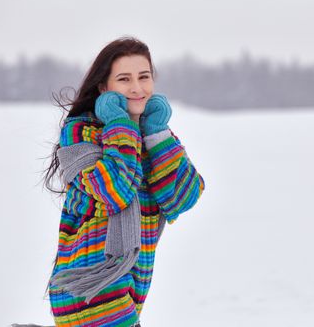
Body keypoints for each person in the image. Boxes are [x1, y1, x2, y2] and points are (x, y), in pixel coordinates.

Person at [41, 36, 205, 327]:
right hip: (89, 286)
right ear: (105, 88)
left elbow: (182, 197)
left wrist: (155, 132)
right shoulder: (81, 134)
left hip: (129, 286)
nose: (137, 88)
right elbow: (115, 190)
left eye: (144, 77)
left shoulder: (151, 136)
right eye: (124, 79)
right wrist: (119, 122)